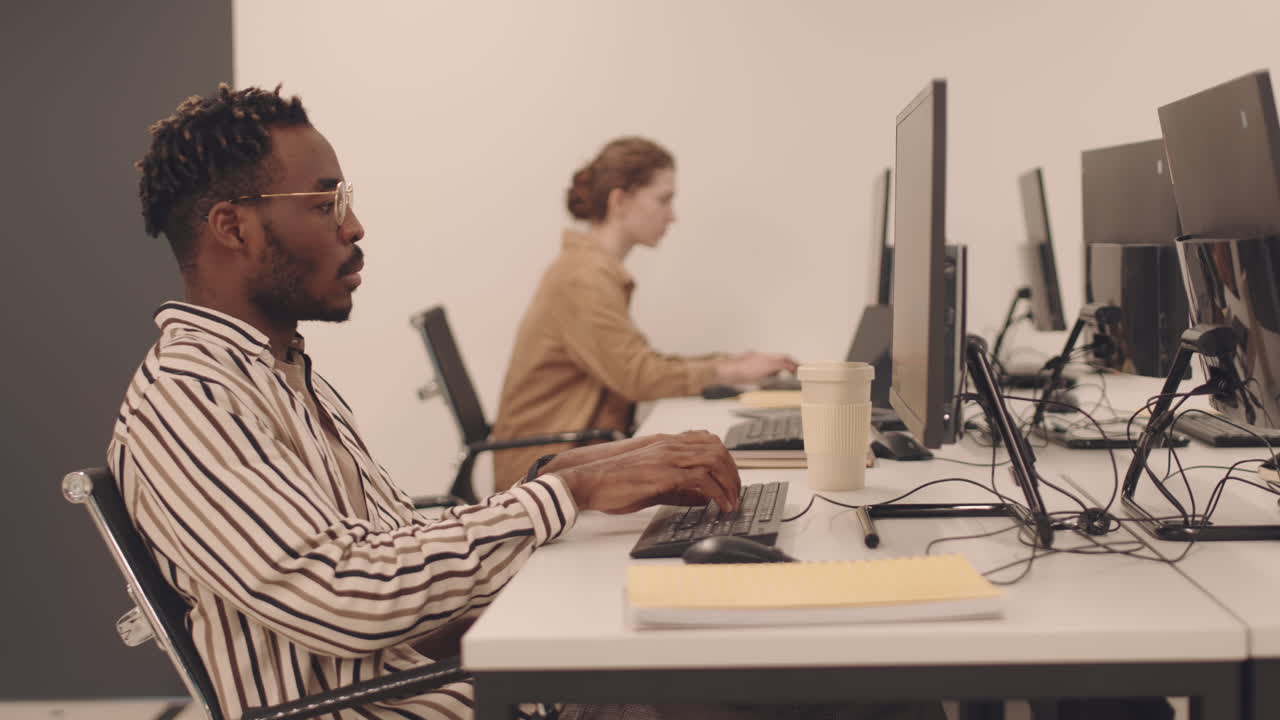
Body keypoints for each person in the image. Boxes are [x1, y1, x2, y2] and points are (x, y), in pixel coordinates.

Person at [114, 85, 939, 720]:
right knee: (861, 692)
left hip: (458, 683)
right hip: (428, 704)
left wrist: (570, 474)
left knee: (837, 672)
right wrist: (565, 495)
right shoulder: (190, 398)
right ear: (231, 227)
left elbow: (392, 543)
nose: (355, 224)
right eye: (326, 201)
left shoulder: (282, 372)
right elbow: (346, 595)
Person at [491, 137, 797, 490]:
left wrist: (731, 364)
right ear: (619, 200)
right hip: (544, 470)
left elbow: (635, 364)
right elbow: (638, 376)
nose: (672, 215)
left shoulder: (592, 269)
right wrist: (731, 370)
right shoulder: (583, 277)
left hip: (573, 454)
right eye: (663, 200)